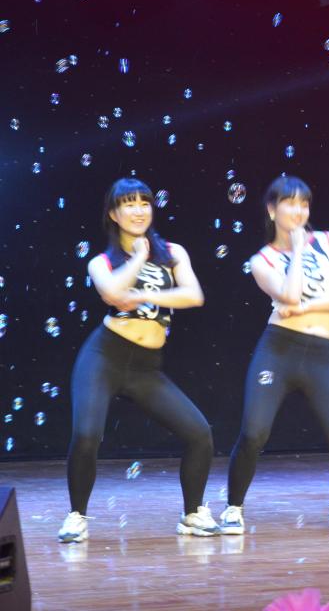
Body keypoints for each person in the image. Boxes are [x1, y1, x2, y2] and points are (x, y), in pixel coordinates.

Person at [59, 178, 216, 543]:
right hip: (104, 358)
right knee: (87, 435)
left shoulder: (174, 252)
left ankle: (192, 514)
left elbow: (194, 295)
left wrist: (144, 293)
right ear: (113, 215)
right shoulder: (101, 262)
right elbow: (113, 294)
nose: (139, 210)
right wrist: (139, 258)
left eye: (144, 203)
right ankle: (76, 516)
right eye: (128, 204)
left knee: (200, 434)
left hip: (147, 367)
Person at [221, 175, 329, 534]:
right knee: (254, 432)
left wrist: (304, 307)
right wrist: (298, 250)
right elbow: (288, 295)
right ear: (272, 210)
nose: (299, 211)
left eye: (304, 203)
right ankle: (233, 508)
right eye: (290, 203)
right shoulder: (263, 260)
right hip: (279, 350)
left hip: (323, 355)